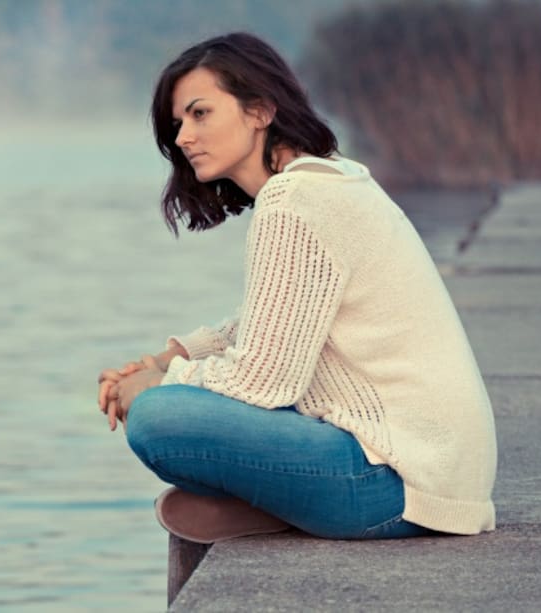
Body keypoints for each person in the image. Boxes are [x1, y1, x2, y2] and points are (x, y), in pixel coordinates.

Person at [96, 32, 497, 543]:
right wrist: (164, 359)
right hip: (438, 473)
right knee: (175, 397)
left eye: (200, 114)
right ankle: (279, 506)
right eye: (178, 123)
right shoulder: (330, 179)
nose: (182, 138)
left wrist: (156, 386)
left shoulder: (295, 199)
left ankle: (279, 502)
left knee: (157, 418)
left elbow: (263, 380)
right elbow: (274, 320)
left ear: (260, 110)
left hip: (396, 480)